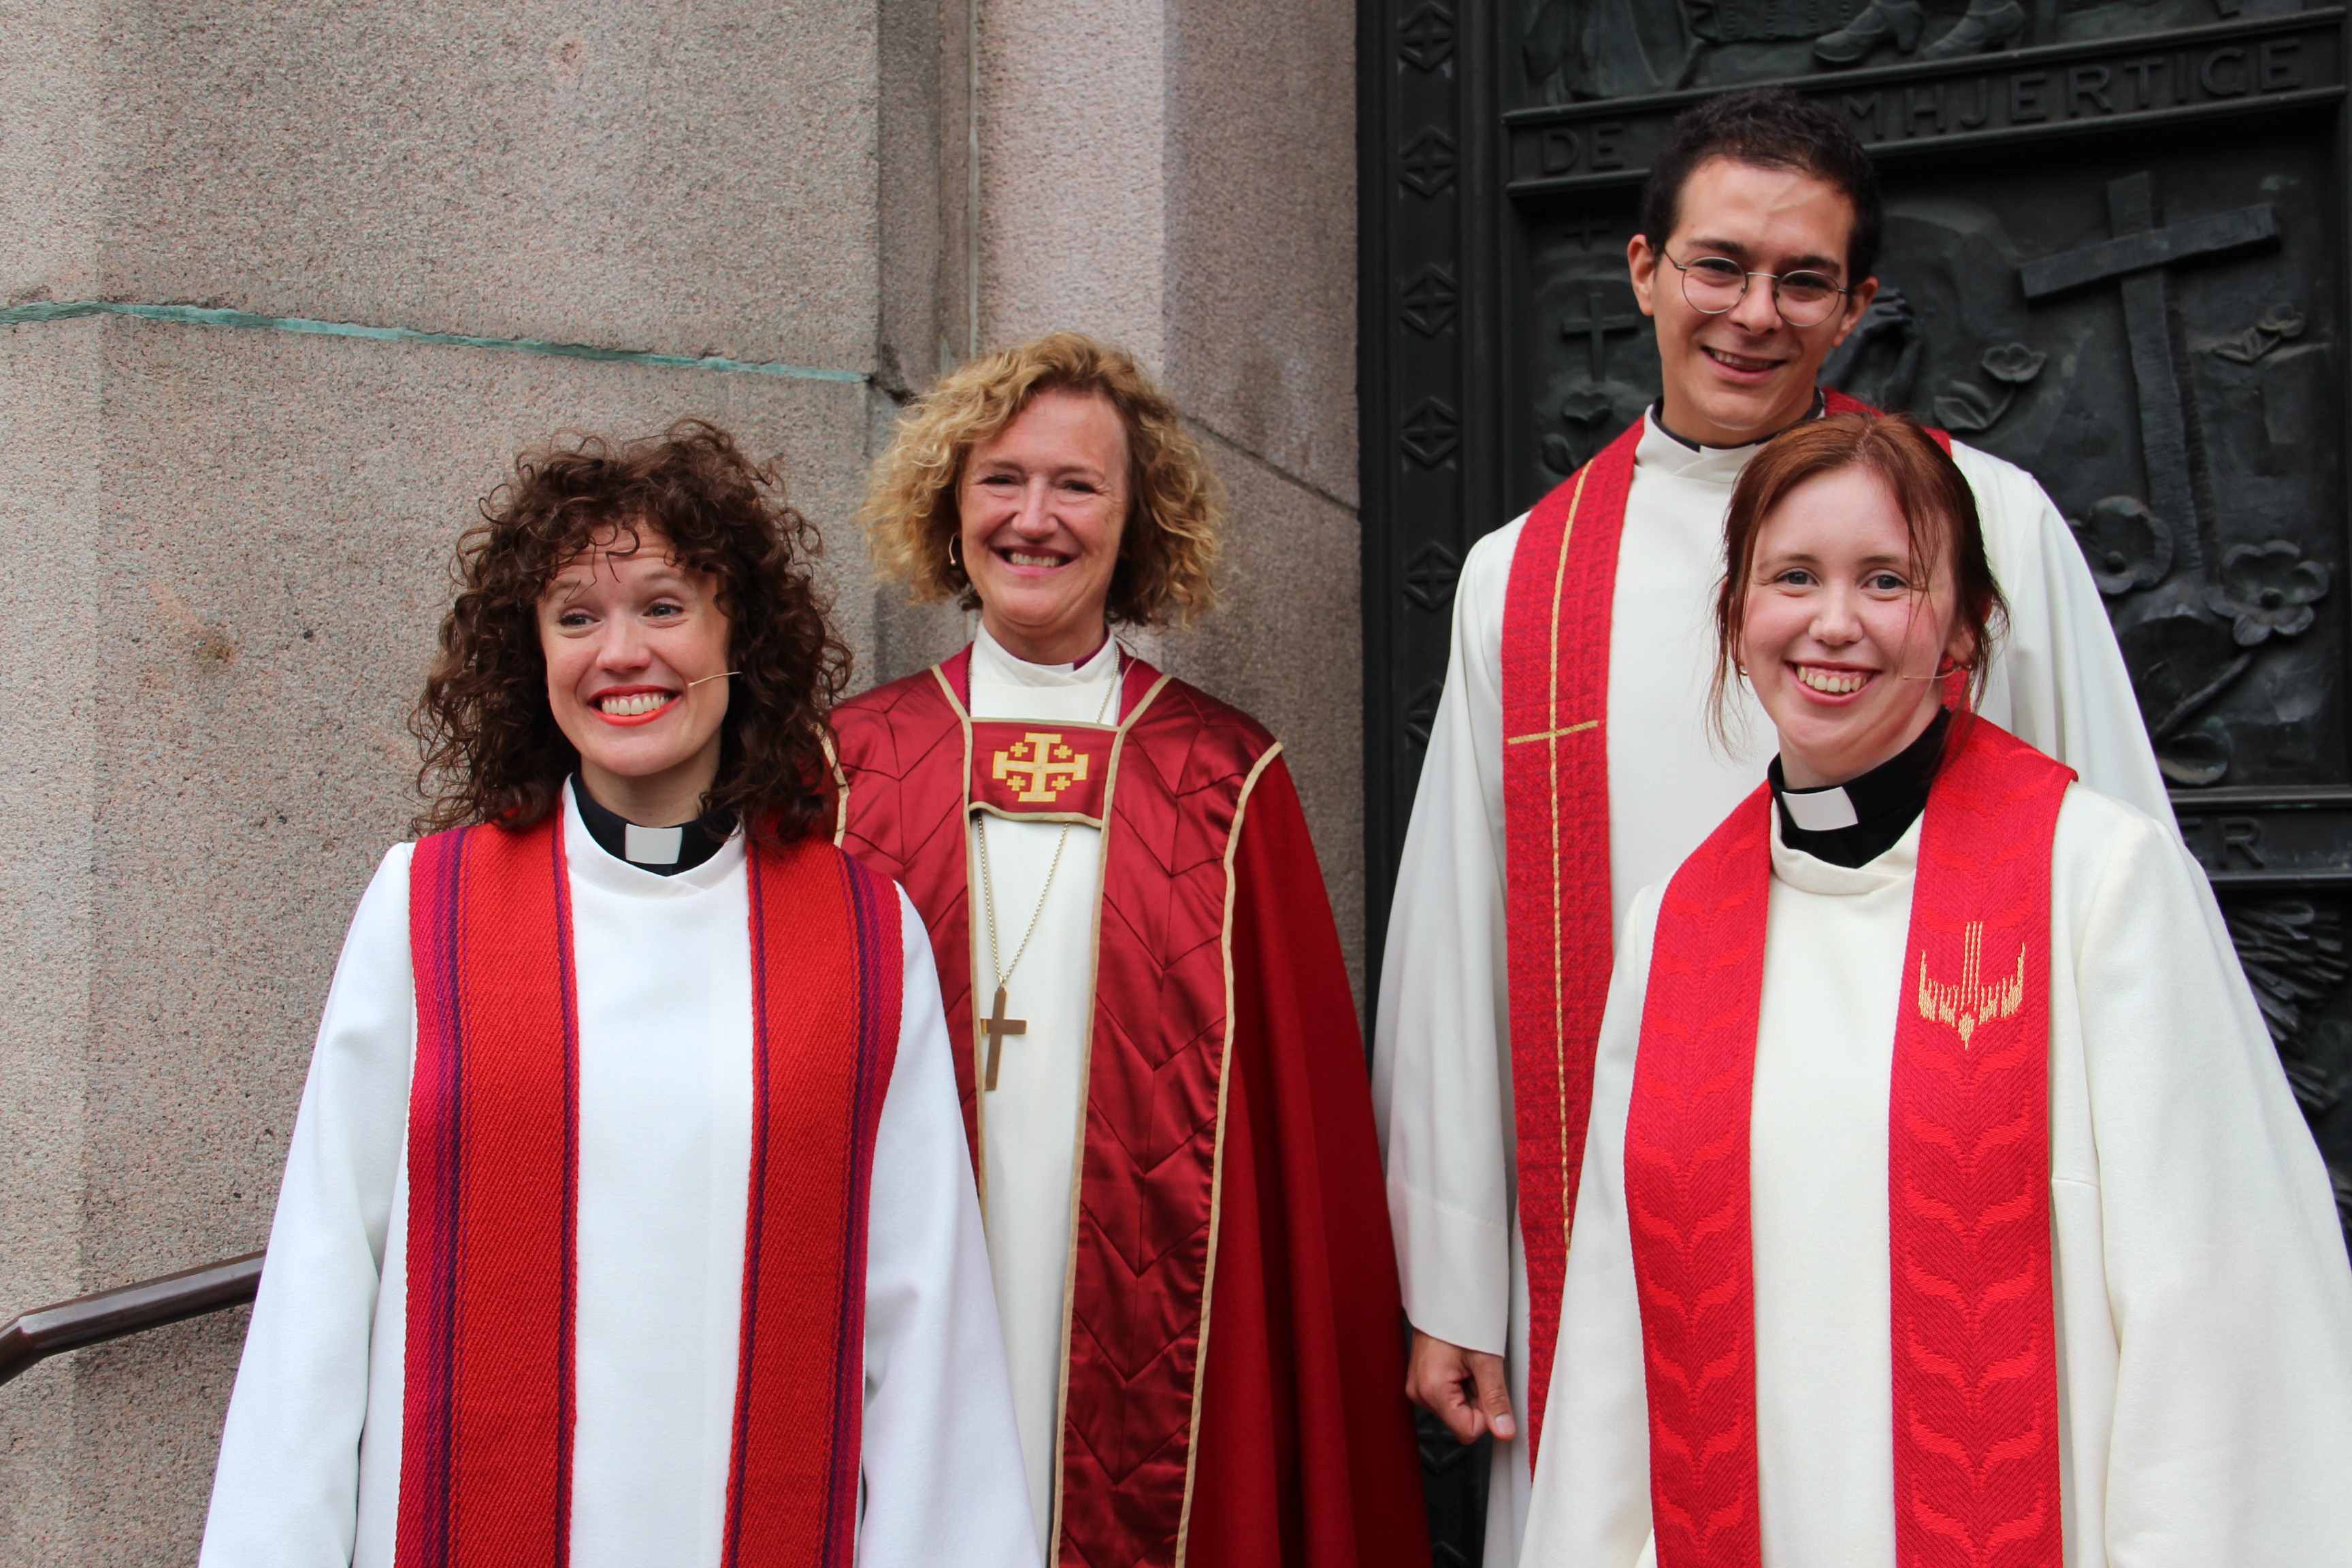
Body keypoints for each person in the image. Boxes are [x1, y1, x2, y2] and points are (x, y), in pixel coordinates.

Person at [1371, 85, 2176, 1566]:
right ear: (1641, 274)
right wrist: (1455, 1279)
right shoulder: (1523, 578)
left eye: (1804, 279)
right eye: (1718, 267)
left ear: (1860, 302)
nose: (1755, 314)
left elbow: (2116, 873)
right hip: (1639, 1237)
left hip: (1946, 1201)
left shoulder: (1979, 519)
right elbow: (1458, 935)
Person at [199, 422, 1036, 1568]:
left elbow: (926, 1319)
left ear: (738, 632)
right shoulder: (427, 910)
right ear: (530, 653)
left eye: (662, 605)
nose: (619, 653)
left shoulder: (860, 933)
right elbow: (320, 1281)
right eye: (576, 616)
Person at [1520, 410, 2352, 1564]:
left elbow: (2216, 1308)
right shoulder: (1675, 927)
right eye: (1794, 577)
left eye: (1888, 580)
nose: (1834, 623)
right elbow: (1621, 1335)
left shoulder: (2094, 880)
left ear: (1963, 624)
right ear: (1736, 613)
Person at [832, 333, 1429, 1568]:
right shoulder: (849, 768)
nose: (1033, 518)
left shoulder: (1224, 779)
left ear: (1138, 519)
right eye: (1000, 479)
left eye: (1077, 485)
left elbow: (1293, 1157)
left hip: (1146, 1332)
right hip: (908, 1278)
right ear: (950, 505)